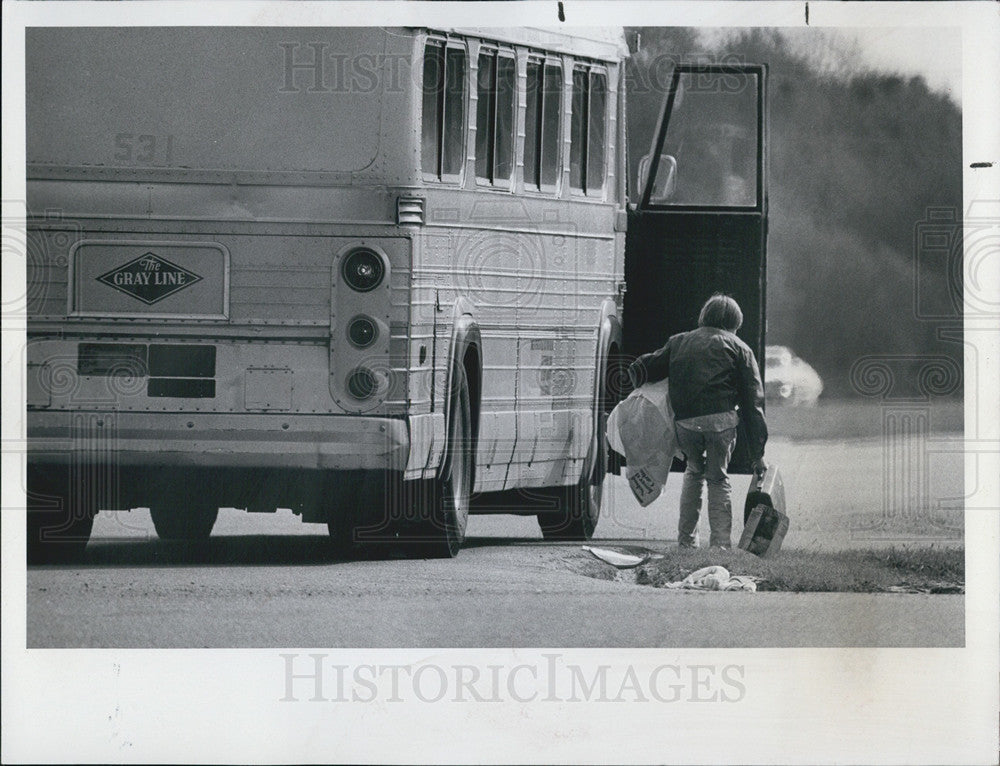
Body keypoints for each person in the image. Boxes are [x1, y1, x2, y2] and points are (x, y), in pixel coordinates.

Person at [628, 294, 767, 549]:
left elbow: (642, 368)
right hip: (721, 424)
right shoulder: (740, 348)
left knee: (693, 472)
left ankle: (687, 543)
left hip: (686, 425)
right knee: (718, 478)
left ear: (705, 317)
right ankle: (720, 546)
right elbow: (753, 405)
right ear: (734, 323)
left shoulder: (679, 342)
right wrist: (758, 453)